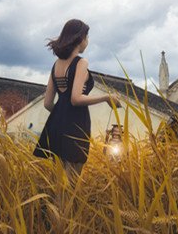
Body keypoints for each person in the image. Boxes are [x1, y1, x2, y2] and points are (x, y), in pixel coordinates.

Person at [33, 19, 119, 179]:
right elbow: (75, 99)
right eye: (87, 37)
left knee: (59, 182)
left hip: (56, 126)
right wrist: (107, 97)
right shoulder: (81, 62)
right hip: (76, 127)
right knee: (72, 183)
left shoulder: (56, 65)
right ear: (79, 38)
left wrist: (62, 114)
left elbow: (47, 103)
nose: (87, 41)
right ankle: (65, 206)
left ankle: (57, 205)